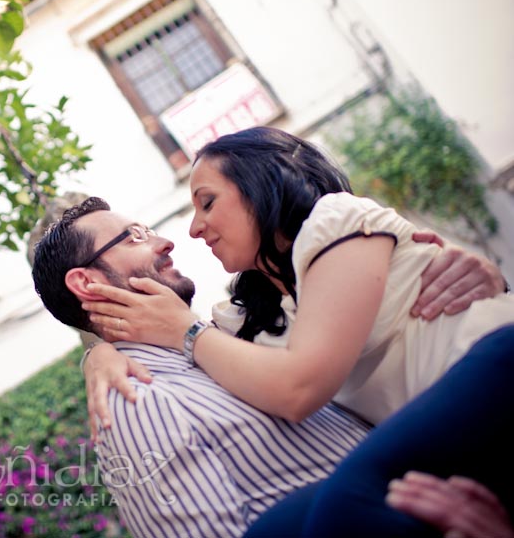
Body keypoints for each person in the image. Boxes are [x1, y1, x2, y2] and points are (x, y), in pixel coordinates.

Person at [78, 127, 514, 536]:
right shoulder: (243, 317)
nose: (193, 228)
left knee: (339, 505)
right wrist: (100, 354)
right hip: (452, 454)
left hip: (491, 378)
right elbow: (205, 368)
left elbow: (300, 388)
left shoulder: (336, 219)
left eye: (207, 202)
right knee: (294, 523)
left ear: (259, 185)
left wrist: (185, 331)